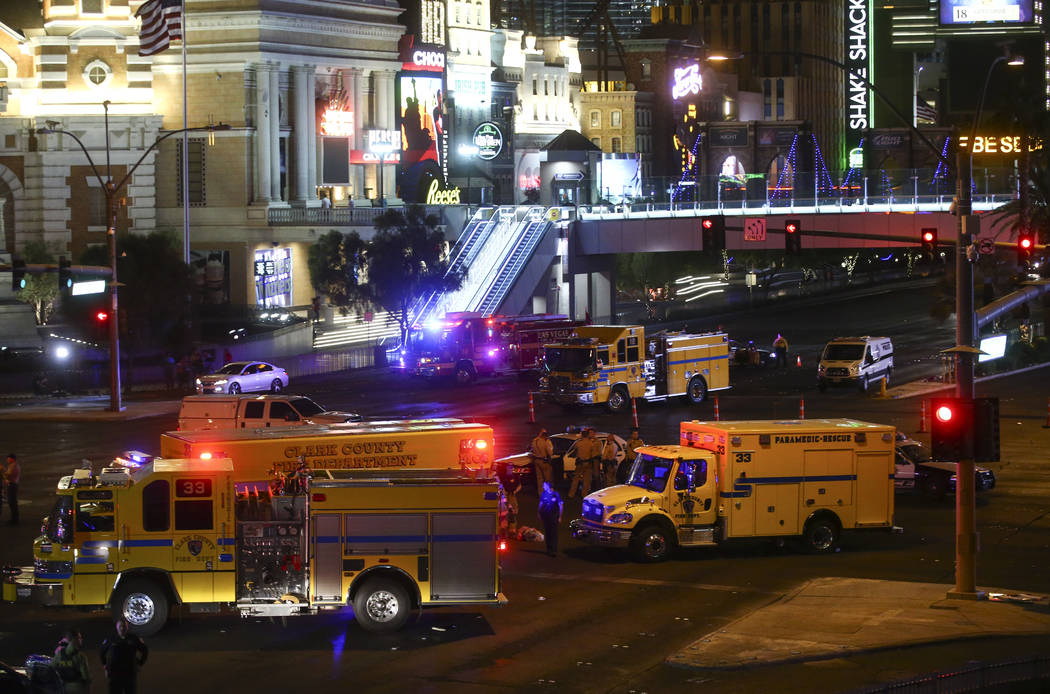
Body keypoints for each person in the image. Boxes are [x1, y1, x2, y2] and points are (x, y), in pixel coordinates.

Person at [100, 618, 148, 694]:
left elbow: (145, 651)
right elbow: (102, 652)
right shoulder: (111, 639)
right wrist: (105, 666)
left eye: (124, 626)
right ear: (117, 627)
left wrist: (140, 664)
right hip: (114, 673)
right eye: (120, 626)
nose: (122, 628)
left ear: (127, 627)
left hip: (129, 674)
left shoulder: (133, 638)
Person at [52, 629, 92, 693]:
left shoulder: (59, 653)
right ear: (74, 639)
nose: (81, 639)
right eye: (79, 638)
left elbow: (51, 667)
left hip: (64, 687)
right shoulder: (80, 656)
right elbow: (86, 676)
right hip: (78, 687)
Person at [568, 429, 597, 498]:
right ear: (587, 435)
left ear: (582, 435)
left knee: (576, 479)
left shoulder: (578, 443)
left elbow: (573, 451)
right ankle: (584, 494)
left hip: (579, 463)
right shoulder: (591, 443)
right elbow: (593, 454)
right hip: (588, 463)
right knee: (586, 480)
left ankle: (571, 494)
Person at [537, 481, 563, 557]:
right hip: (546, 516)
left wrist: (560, 516)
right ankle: (549, 549)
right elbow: (541, 504)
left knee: (553, 533)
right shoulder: (543, 494)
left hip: (554, 516)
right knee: (547, 532)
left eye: (544, 485)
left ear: (548, 486)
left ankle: (554, 550)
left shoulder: (556, 494)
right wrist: (539, 513)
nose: (543, 487)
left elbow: (561, 505)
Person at [529, 429, 553, 495]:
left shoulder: (534, 441)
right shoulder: (545, 441)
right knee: (547, 478)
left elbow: (532, 450)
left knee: (539, 479)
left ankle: (540, 494)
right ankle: (548, 493)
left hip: (536, 460)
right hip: (544, 461)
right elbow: (550, 453)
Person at [4, 453, 19, 525]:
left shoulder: (13, 465)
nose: (7, 460)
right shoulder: (13, 465)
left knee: (12, 502)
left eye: (8, 458)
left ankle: (14, 519)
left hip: (12, 485)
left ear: (12, 459)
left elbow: (8, 475)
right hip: (12, 484)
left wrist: (2, 470)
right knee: (12, 502)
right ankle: (14, 518)